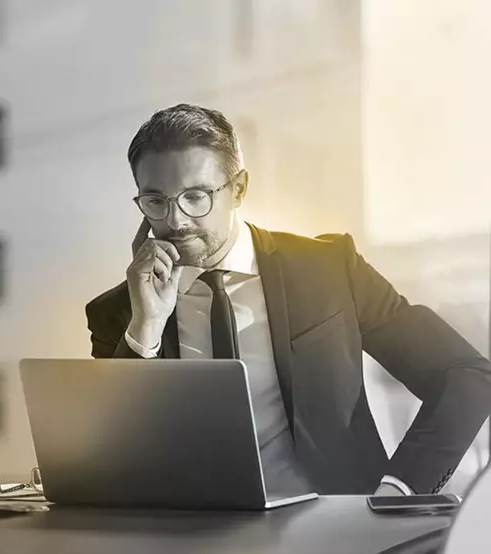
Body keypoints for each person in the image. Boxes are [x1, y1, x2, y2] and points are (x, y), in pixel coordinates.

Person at [84, 103, 491, 496]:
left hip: (334, 534)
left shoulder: (328, 269)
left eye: (196, 196)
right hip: (191, 539)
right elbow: (113, 464)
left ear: (239, 188)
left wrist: (400, 489)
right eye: (156, 201)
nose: (175, 220)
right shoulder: (119, 313)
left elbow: (466, 376)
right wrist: (146, 329)